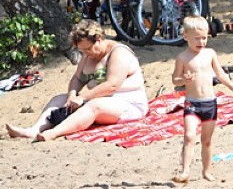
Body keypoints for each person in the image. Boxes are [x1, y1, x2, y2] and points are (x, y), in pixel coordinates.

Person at [5, 20, 148, 142]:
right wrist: (72, 95)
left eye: (88, 49)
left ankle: (55, 132)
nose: (86, 53)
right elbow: (78, 78)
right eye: (82, 51)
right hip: (104, 101)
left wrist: (83, 98)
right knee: (58, 99)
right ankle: (34, 130)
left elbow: (112, 85)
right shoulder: (88, 56)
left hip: (128, 104)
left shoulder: (119, 53)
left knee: (94, 105)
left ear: (99, 39)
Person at [171, 16, 233, 183]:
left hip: (209, 103)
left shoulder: (210, 54)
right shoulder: (182, 58)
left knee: (207, 141)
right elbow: (175, 80)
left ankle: (207, 170)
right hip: (192, 103)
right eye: (197, 38)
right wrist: (184, 80)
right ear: (185, 36)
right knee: (189, 136)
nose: (201, 41)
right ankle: (185, 171)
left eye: (204, 37)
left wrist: (232, 87)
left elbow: (220, 74)